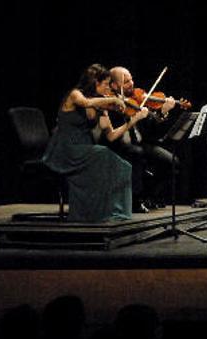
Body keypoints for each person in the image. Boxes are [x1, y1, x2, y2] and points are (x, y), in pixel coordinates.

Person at [42, 64, 139, 222]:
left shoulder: (100, 105)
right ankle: (92, 213)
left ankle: (111, 212)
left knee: (123, 166)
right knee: (102, 154)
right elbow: (86, 103)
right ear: (95, 82)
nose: (109, 88)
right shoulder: (75, 95)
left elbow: (111, 136)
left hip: (85, 149)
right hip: (66, 150)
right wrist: (113, 99)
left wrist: (132, 119)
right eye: (106, 84)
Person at [107, 66, 179, 212]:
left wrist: (162, 111)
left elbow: (150, 127)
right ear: (114, 85)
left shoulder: (136, 100)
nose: (131, 84)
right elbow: (115, 132)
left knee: (172, 162)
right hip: (120, 145)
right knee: (136, 153)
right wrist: (127, 113)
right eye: (126, 82)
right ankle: (135, 200)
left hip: (141, 143)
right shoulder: (110, 103)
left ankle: (150, 196)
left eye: (131, 79)